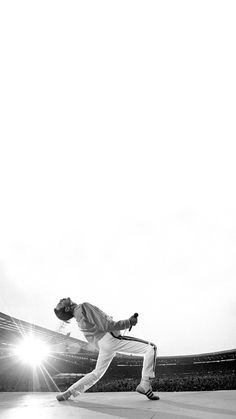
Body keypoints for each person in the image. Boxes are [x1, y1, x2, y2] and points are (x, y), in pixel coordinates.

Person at [54, 297, 159, 401]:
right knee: (151, 348)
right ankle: (145, 383)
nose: (61, 300)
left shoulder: (78, 318)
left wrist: (126, 323)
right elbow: (107, 325)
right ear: (67, 309)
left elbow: (96, 334)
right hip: (110, 339)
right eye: (60, 303)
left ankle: (68, 392)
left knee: (96, 374)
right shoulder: (83, 307)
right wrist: (128, 322)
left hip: (103, 344)